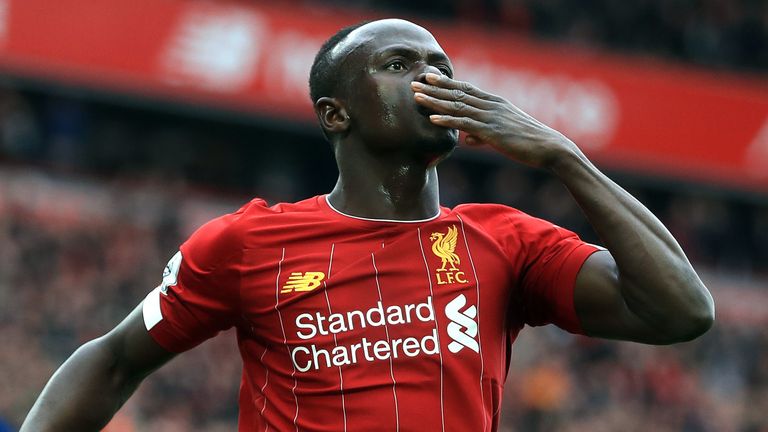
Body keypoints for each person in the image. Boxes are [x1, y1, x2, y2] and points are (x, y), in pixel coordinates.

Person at [21, 18, 714, 431]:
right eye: (398, 65)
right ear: (336, 114)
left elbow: (682, 312)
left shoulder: (505, 242)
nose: (432, 79)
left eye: (441, 65)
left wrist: (564, 157)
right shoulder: (247, 243)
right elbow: (112, 359)